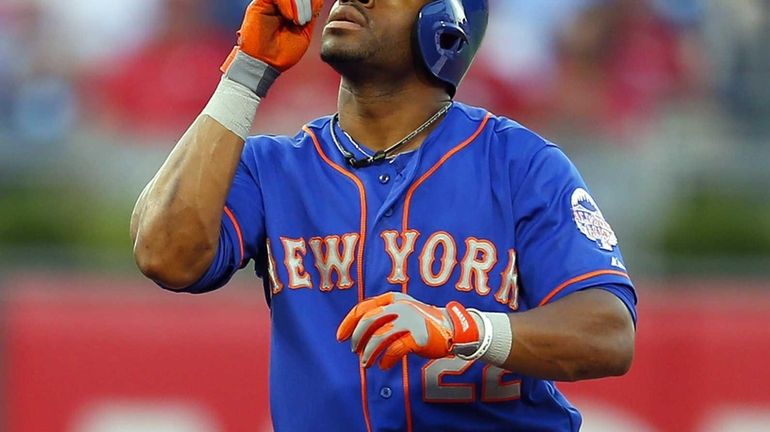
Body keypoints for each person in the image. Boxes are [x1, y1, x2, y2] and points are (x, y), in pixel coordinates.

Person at [130, 0, 637, 430]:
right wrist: (246, 73)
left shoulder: (519, 164)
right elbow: (164, 255)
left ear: (446, 25)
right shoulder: (273, 168)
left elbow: (608, 334)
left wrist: (463, 330)